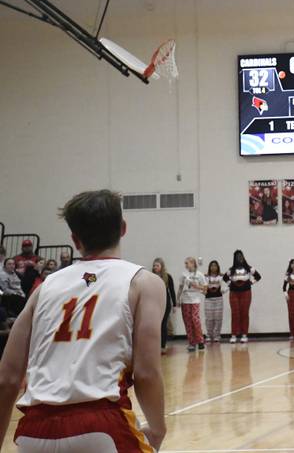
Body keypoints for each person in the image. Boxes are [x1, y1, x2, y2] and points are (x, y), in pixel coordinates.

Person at [0, 189, 166, 451]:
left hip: (34, 429)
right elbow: (146, 371)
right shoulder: (143, 282)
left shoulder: (44, 288)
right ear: (122, 228)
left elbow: (7, 379)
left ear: (75, 240)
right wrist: (157, 428)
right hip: (101, 423)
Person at [224, 250, 261, 343]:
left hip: (246, 292)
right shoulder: (231, 270)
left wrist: (251, 283)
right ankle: (234, 335)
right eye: (237, 256)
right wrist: (230, 284)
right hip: (234, 293)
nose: (239, 258)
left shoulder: (249, 268)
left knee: (244, 313)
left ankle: (244, 334)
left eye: (240, 256)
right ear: (234, 258)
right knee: (235, 313)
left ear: (243, 257)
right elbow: (224, 277)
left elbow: (258, 276)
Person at [178, 257, 207, 352]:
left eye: (187, 263)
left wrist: (196, 286)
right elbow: (180, 287)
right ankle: (191, 342)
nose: (185, 265)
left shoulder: (200, 275)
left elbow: (205, 289)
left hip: (195, 299)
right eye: (185, 263)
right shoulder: (183, 274)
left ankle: (200, 340)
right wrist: (177, 299)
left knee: (195, 319)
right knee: (188, 321)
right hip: (185, 300)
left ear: (193, 263)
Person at [152, 258, 177, 353]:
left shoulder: (167, 277)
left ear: (162, 266)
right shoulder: (151, 276)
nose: (155, 267)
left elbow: (172, 291)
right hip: (154, 303)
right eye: (154, 266)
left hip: (165, 303)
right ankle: (155, 345)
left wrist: (174, 305)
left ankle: (163, 345)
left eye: (157, 265)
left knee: (163, 324)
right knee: (156, 325)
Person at [205, 260, 225, 343]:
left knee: (218, 318)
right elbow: (201, 287)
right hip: (208, 299)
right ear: (209, 267)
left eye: (215, 265)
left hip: (219, 299)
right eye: (212, 265)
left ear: (218, 267)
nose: (213, 267)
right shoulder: (205, 277)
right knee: (209, 319)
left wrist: (223, 291)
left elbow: (229, 282)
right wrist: (204, 292)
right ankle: (209, 335)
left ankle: (217, 335)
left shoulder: (221, 277)